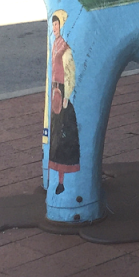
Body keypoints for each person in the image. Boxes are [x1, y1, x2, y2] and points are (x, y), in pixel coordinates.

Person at [48, 10, 80, 194]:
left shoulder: (64, 48)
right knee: (56, 137)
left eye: (56, 24)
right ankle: (58, 181)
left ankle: (62, 182)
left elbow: (70, 72)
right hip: (55, 94)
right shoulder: (54, 44)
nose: (54, 28)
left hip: (63, 96)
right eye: (53, 25)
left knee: (64, 138)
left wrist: (67, 95)